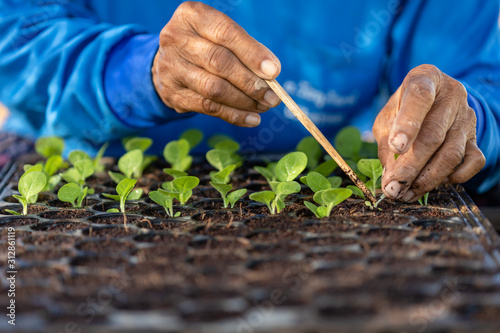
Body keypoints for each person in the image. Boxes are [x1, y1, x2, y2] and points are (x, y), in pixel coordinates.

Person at [0, 0, 498, 203]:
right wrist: (140, 71)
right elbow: (15, 42)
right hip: (95, 173)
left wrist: (465, 116)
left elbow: (482, 71)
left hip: (306, 190)